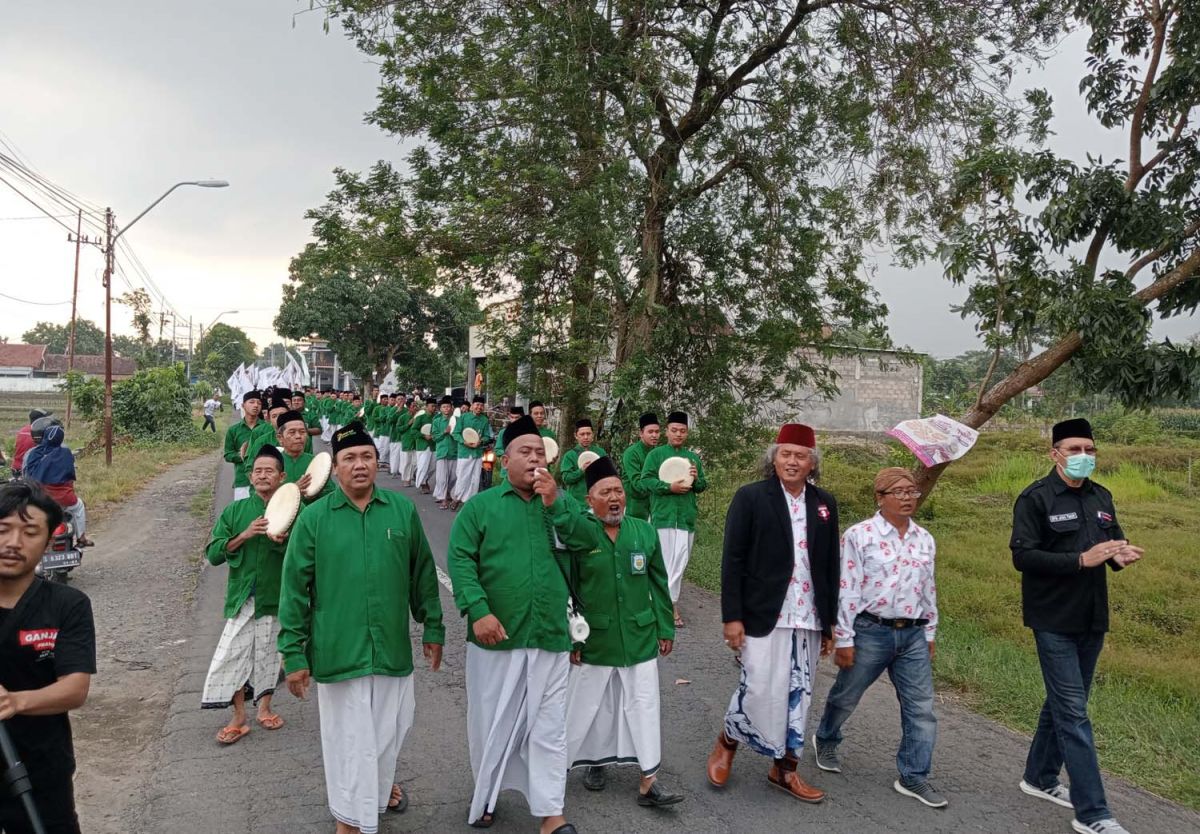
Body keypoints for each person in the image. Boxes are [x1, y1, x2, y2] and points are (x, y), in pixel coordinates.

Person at [279, 421, 444, 834]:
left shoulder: (401, 511)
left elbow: (422, 572)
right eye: (349, 458)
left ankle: (375, 794)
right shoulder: (315, 519)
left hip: (391, 649)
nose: (359, 465)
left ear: (376, 461)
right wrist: (295, 654)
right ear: (335, 469)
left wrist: (434, 627)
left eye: (366, 457)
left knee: (390, 732)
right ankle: (349, 820)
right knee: (348, 743)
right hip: (339, 649)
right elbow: (294, 589)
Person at [448, 414, 599, 833]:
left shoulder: (560, 501)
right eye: (525, 452)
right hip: (498, 635)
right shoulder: (481, 507)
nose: (534, 460)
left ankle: (552, 813)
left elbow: (588, 540)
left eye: (540, 452)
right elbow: (460, 560)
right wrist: (478, 611)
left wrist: (557, 504)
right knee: (492, 723)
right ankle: (488, 794)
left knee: (549, 727)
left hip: (550, 632)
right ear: (504, 458)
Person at [1011, 418, 1143, 834]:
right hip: (1052, 618)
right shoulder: (1035, 499)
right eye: (1074, 450)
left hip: (1092, 617)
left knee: (1064, 703)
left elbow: (1113, 541)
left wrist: (1119, 555)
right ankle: (1094, 814)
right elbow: (1024, 557)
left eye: (1090, 450)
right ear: (1055, 454)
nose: (1084, 457)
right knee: (1074, 713)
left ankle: (1039, 777)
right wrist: (1080, 560)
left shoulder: (1101, 496)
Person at [707, 424, 836, 804]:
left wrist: (829, 622)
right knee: (759, 686)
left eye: (800, 456)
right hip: (764, 612)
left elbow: (830, 566)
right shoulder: (751, 498)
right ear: (773, 458)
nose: (792, 462)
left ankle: (785, 768)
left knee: (800, 693)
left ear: (812, 463)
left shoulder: (824, 502)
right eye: (785, 454)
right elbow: (732, 560)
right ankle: (728, 740)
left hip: (808, 616)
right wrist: (732, 616)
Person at [814, 467, 946, 808]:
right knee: (846, 695)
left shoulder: (924, 539)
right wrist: (843, 638)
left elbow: (928, 588)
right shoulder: (860, 536)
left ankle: (914, 775)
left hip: (913, 634)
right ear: (880, 497)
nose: (907, 498)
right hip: (870, 631)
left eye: (912, 492)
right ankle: (826, 737)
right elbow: (847, 589)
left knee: (921, 709)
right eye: (898, 492)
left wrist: (930, 630)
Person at [566, 456, 682, 807]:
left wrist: (665, 627)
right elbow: (567, 588)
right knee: (589, 705)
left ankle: (649, 780)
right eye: (605, 492)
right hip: (595, 638)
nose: (614, 498)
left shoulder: (643, 531)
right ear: (590, 500)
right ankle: (591, 764)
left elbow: (659, 583)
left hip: (639, 635)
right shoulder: (581, 534)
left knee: (644, 704)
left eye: (618, 491)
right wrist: (572, 635)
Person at [0, 481, 96, 834]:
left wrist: (15, 701)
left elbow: (74, 688)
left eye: (29, 532)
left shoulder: (67, 604)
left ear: (46, 543)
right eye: (3, 530)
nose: (13, 543)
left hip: (42, 771)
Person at [200, 445, 290, 743]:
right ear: (250, 477)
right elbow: (213, 554)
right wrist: (244, 535)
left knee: (268, 653)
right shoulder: (236, 511)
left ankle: (264, 708)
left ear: (282, 477)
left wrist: (284, 541)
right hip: (243, 598)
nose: (263, 476)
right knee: (232, 654)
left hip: (276, 596)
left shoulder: (295, 511)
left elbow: (308, 555)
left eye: (270, 471)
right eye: (258, 471)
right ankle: (238, 716)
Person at [638, 411, 707, 627]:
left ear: (687, 433)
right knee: (662, 563)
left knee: (680, 562)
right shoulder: (656, 455)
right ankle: (668, 607)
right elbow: (645, 480)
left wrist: (695, 479)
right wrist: (669, 487)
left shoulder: (692, 458)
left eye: (682, 431)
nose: (678, 434)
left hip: (685, 518)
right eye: (674, 430)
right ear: (667, 431)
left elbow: (702, 485)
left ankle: (668, 602)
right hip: (663, 517)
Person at [23, 425, 93, 548]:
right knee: (79, 506)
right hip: (65, 499)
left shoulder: (33, 453)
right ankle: (81, 538)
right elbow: (70, 476)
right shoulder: (66, 453)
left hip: (40, 499)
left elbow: (28, 475)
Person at [224, 390, 274, 501]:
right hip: (243, 480)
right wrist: (242, 456)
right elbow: (228, 454)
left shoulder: (268, 429)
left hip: (266, 481)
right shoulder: (234, 430)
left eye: (259, 403)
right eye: (252, 402)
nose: (256, 405)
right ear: (243, 405)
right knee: (243, 515)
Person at [277, 411, 334, 500]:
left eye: (302, 432)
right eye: (292, 432)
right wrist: (294, 490)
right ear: (280, 438)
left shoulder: (316, 462)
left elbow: (330, 493)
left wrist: (316, 492)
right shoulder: (273, 464)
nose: (298, 436)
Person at [452, 395, 493, 510]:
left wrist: (481, 441)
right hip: (464, 452)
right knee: (462, 476)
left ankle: (468, 502)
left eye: (481, 405)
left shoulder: (484, 420)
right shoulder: (464, 418)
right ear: (472, 406)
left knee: (475, 479)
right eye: (477, 405)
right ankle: (457, 498)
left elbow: (486, 436)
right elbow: (456, 433)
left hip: (477, 453)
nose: (479, 407)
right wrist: (464, 442)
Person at [620, 412, 659, 521]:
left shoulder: (657, 452)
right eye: (650, 432)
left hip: (654, 505)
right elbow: (637, 483)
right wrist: (662, 486)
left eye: (657, 432)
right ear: (641, 433)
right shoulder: (632, 453)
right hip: (634, 506)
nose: (654, 435)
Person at [559, 418, 607, 505]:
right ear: (576, 436)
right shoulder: (569, 455)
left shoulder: (601, 452)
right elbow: (566, 478)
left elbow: (608, 475)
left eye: (588, 434)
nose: (586, 437)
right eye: (582, 434)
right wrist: (581, 471)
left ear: (593, 435)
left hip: (598, 502)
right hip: (577, 503)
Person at [432, 397, 457, 509]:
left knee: (453, 477)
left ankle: (448, 493)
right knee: (442, 478)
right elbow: (434, 437)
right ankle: (443, 499)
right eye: (444, 407)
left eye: (448, 406)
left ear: (452, 408)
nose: (446, 409)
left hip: (454, 452)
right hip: (442, 452)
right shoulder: (437, 421)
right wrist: (444, 432)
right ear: (440, 409)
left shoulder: (456, 420)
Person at [11, 409, 47, 478]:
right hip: (29, 470)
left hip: (15, 467)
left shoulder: (22, 430)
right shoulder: (40, 433)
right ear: (40, 421)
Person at [410, 400, 437, 493]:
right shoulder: (420, 418)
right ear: (426, 407)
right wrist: (423, 435)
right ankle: (423, 484)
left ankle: (422, 477)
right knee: (423, 465)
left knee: (433, 466)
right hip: (423, 445)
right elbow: (413, 431)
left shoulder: (437, 418)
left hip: (434, 445)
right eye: (432, 406)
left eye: (435, 406)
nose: (434, 408)